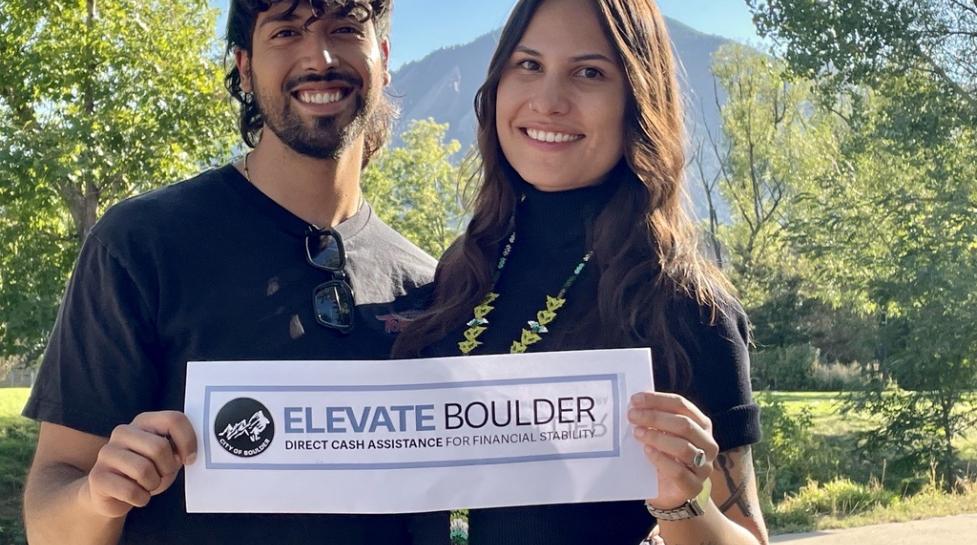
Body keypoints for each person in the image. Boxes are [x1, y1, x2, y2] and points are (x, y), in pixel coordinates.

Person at [21, 1, 443, 544]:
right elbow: (50, 519)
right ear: (244, 67)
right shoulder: (140, 243)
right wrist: (98, 495)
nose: (320, 56)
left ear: (382, 58)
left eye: (345, 28)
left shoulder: (430, 284)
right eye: (287, 32)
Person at [394, 0, 769, 544]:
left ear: (637, 101)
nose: (548, 101)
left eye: (589, 73)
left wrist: (683, 504)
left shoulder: (684, 304)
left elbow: (747, 535)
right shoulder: (462, 271)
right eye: (528, 65)